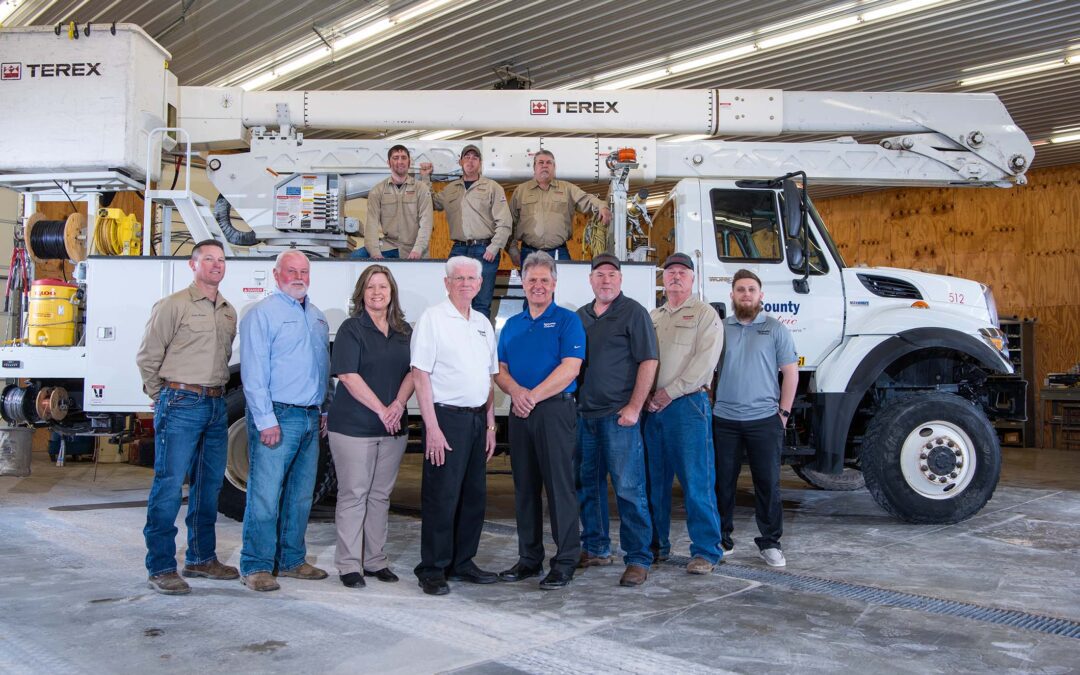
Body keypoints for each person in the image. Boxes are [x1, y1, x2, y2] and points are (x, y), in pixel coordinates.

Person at [136, 239, 238, 595]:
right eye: (208, 259)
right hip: (180, 402)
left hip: (215, 405)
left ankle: (200, 558)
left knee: (208, 487)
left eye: (221, 260)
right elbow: (148, 356)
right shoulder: (173, 305)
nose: (216, 265)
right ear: (193, 265)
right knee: (168, 485)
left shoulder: (228, 311)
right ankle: (161, 566)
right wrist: (160, 397)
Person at [238, 250, 331, 591]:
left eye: (304, 271)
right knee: (265, 494)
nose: (298, 276)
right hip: (278, 415)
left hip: (309, 418)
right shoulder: (261, 314)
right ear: (276, 275)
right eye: (291, 270)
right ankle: (256, 565)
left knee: (301, 495)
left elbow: (323, 369)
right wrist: (265, 420)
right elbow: (253, 371)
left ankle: (291, 560)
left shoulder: (318, 317)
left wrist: (323, 410)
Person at [494, 251, 585, 590]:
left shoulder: (567, 321)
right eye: (532, 280)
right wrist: (517, 393)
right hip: (520, 412)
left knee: (559, 487)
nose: (538, 286)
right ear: (522, 282)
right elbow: (500, 370)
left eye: (544, 280)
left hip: (554, 411)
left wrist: (532, 396)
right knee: (525, 489)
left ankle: (565, 561)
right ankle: (529, 559)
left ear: (554, 284)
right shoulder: (512, 326)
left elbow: (570, 368)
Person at [410, 256, 499, 595]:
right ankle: (432, 568)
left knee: (473, 497)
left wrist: (491, 425)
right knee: (441, 497)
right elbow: (420, 375)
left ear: (479, 284)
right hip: (445, 419)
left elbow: (488, 377)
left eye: (471, 278)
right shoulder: (433, 318)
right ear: (446, 283)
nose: (465, 283)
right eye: (457, 278)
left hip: (477, 421)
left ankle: (462, 562)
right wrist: (431, 428)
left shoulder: (482, 323)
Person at [327, 265, 414, 589]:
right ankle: (350, 564)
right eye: (371, 287)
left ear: (392, 293)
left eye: (383, 287)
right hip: (353, 427)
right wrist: (382, 409)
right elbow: (348, 375)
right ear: (361, 293)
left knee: (380, 496)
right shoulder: (352, 328)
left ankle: (375, 560)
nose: (377, 293)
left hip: (392, 429)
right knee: (354, 494)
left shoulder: (404, 331)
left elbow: (413, 373)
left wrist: (398, 406)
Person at [576, 253, 658, 587]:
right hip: (586, 417)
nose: (605, 280)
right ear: (591, 280)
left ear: (620, 280)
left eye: (612, 274)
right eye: (599, 274)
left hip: (619, 418)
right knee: (588, 486)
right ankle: (595, 547)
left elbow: (649, 361)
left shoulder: (633, 313)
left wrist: (634, 407)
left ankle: (638, 557)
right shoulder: (580, 316)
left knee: (628, 488)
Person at [644, 253, 725, 574]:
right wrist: (647, 396)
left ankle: (706, 551)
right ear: (663, 280)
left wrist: (668, 393)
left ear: (693, 280)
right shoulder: (653, 316)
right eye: (670, 272)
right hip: (653, 408)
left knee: (696, 481)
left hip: (688, 406)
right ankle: (655, 545)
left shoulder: (705, 315)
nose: (676, 276)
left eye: (682, 272)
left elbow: (705, 363)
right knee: (654, 482)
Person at [713, 269, 798, 568]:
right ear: (732, 296)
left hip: (764, 420)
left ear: (761, 296)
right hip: (724, 420)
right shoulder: (721, 328)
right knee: (722, 483)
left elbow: (790, 373)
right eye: (740, 290)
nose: (746, 294)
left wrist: (782, 415)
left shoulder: (775, 329)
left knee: (768, 483)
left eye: (751, 289)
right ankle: (722, 539)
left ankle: (770, 542)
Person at [419, 145, 512, 318]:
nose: (470, 161)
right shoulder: (451, 189)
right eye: (467, 157)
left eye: (474, 158)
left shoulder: (492, 187)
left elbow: (505, 221)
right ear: (461, 161)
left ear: (480, 163)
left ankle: (479, 343)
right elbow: (431, 202)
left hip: (485, 250)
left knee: (482, 304)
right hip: (459, 250)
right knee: (454, 302)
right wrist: (425, 177)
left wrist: (494, 247)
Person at [506, 149, 611, 267]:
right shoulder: (521, 191)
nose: (545, 166)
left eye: (548, 163)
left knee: (564, 285)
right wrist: (512, 250)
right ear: (534, 167)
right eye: (541, 162)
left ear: (554, 167)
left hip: (559, 252)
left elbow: (587, 199)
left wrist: (602, 206)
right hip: (529, 252)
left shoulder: (567, 189)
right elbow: (509, 223)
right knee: (532, 285)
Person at [351, 144, 434, 260]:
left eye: (404, 158)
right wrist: (375, 253)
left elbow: (426, 223)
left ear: (409, 162)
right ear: (388, 163)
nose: (400, 161)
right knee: (355, 257)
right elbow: (371, 225)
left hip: (413, 248)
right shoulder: (377, 191)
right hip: (388, 246)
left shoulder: (421, 189)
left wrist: (418, 250)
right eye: (395, 158)